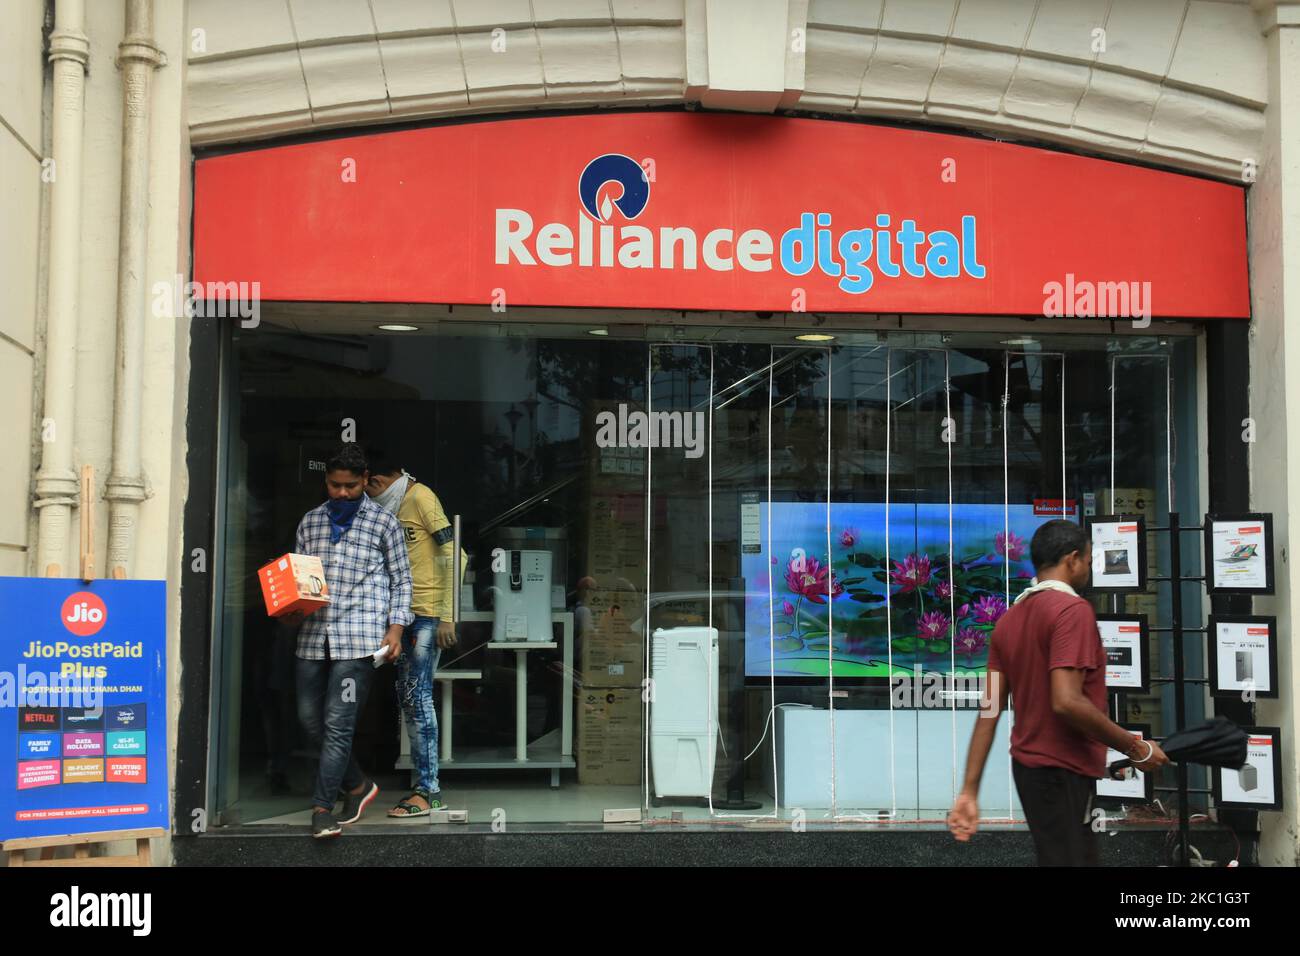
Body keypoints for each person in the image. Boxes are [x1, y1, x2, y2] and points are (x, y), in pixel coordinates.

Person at [947, 519, 1169, 866]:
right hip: (1059, 772)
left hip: (1032, 772)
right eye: (1089, 560)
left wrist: (969, 790)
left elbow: (989, 710)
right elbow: (1066, 701)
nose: (1089, 569)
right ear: (1072, 559)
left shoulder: (1009, 620)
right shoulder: (1072, 611)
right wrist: (1136, 747)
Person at [288, 443, 412, 838]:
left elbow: (402, 579)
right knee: (309, 720)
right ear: (326, 480)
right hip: (313, 636)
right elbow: (300, 577)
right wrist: (290, 605)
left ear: (364, 481)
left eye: (350, 486)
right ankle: (358, 785)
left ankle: (323, 808)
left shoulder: (384, 524)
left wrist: (396, 629)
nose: (341, 493)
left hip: (359, 638)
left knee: (338, 725)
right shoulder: (309, 522)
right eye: (334, 485)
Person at [365, 454, 465, 817]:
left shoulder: (420, 497)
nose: (368, 493)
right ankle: (423, 787)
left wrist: (448, 617)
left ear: (380, 478)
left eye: (370, 485)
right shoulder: (389, 507)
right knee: (408, 697)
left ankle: (428, 791)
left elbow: (456, 553)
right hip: (402, 614)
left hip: (426, 614)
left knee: (418, 698)